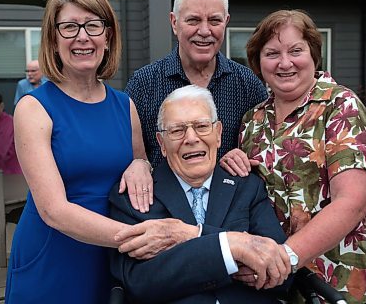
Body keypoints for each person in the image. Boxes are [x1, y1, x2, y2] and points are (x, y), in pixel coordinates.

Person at [5, 0, 193, 303]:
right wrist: (140, 238)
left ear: (107, 37)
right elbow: (54, 210)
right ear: (53, 38)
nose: (83, 37)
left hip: (111, 261)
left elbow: (138, 161)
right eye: (69, 27)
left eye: (93, 25)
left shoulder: (125, 106)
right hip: (54, 256)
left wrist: (139, 164)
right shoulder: (33, 108)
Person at [222, 10, 366, 303]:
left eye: (295, 50)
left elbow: (352, 203)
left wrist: (284, 257)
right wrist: (230, 164)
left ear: (313, 54)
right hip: (273, 286)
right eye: (272, 53)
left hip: (338, 283)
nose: (285, 63)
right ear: (258, 63)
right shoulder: (253, 119)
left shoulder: (341, 108)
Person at [110, 85, 292, 303]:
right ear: (162, 143)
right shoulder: (134, 195)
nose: (191, 138)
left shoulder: (247, 187)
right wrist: (232, 249)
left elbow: (279, 269)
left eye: (201, 126)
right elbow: (139, 282)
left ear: (218, 134)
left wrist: (189, 244)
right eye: (177, 130)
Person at [125, 0, 268, 168]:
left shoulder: (248, 85)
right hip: (163, 197)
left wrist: (243, 156)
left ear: (225, 22)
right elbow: (128, 156)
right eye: (193, 20)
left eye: (214, 20)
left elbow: (264, 153)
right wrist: (139, 165)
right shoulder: (143, 84)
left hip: (231, 196)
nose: (204, 31)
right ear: (174, 22)